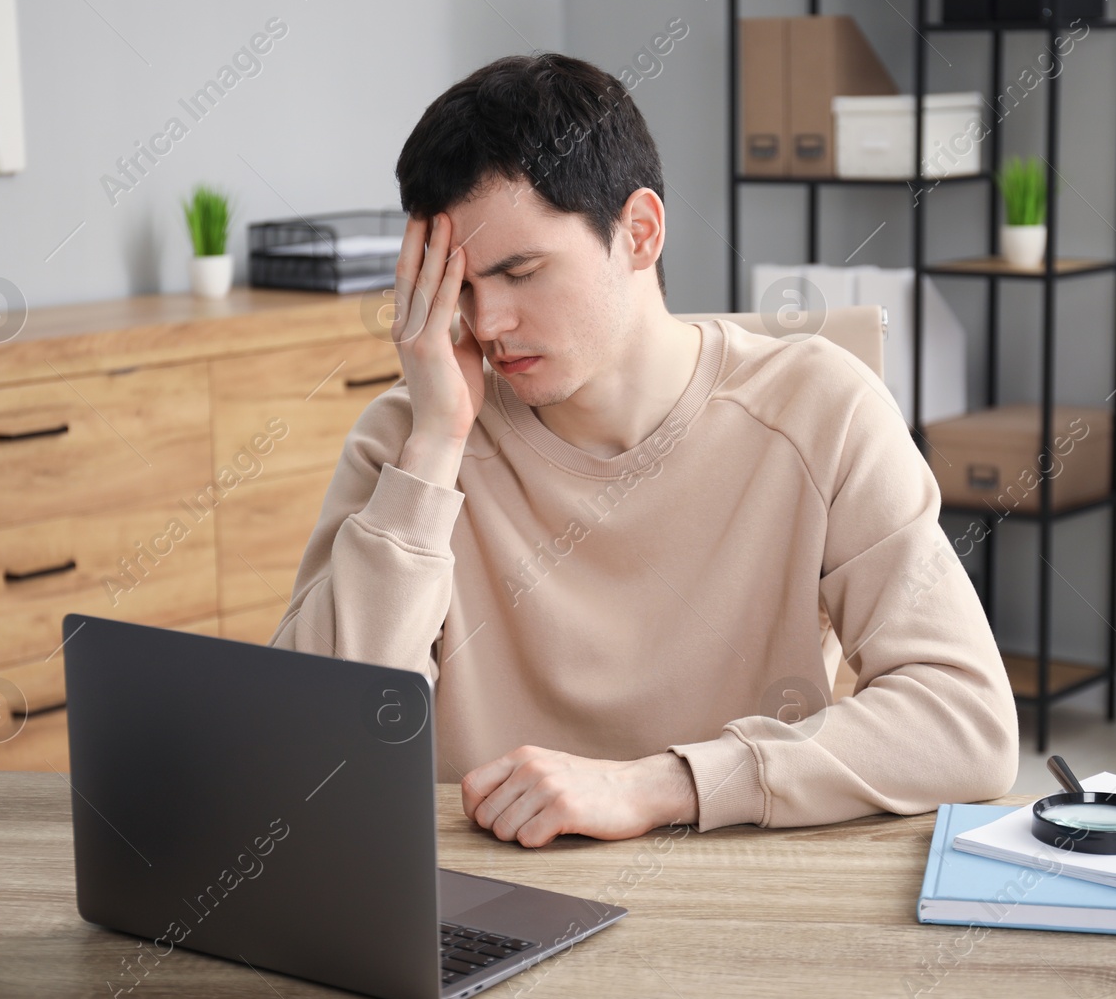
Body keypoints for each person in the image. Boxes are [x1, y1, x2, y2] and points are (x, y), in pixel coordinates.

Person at [270, 52, 1018, 847]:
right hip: (478, 905)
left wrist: (662, 784)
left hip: (732, 896)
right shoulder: (410, 436)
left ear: (639, 232)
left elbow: (965, 722)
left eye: (520, 272)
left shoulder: (820, 408)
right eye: (458, 287)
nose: (485, 323)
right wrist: (433, 450)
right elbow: (307, 753)